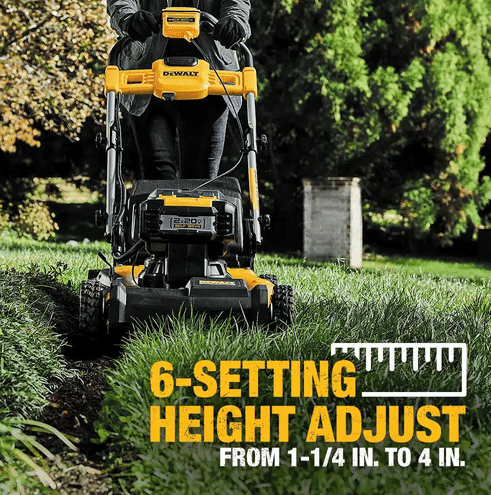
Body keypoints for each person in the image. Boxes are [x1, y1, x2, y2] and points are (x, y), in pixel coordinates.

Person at [107, 0, 251, 180]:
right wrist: (129, 19)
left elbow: (236, 3)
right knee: (158, 171)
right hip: (149, 75)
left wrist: (234, 21)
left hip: (211, 76)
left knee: (201, 177)